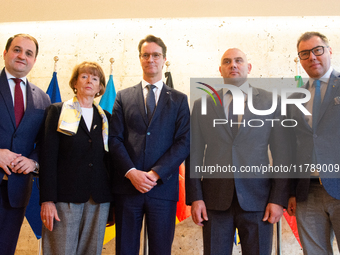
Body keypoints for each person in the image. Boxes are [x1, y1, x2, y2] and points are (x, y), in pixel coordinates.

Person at [186, 48, 290, 255]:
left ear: (248, 67)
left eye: (238, 61)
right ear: (220, 70)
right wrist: (195, 197)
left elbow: (282, 154)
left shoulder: (271, 101)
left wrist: (278, 199)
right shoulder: (202, 104)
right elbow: (194, 154)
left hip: (259, 201)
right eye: (227, 61)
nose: (233, 65)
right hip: (214, 202)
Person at [109, 35, 190, 255]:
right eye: (146, 55)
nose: (150, 59)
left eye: (155, 55)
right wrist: (132, 173)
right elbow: (114, 138)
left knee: (161, 250)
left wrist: (155, 174)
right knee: (125, 250)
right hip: (128, 188)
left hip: (162, 189)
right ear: (140, 58)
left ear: (164, 59)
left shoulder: (180, 100)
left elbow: (184, 142)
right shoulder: (123, 97)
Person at [39, 61, 112, 255]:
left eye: (95, 78)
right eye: (84, 76)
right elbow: (47, 157)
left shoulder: (105, 118)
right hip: (64, 198)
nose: (90, 81)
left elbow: (108, 161)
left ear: (100, 87)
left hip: (98, 198)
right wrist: (47, 200)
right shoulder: (57, 111)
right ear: (75, 82)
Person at [287, 32, 340, 254]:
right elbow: (289, 146)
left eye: (317, 50)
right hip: (306, 192)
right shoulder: (294, 97)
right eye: (305, 53)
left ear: (329, 51)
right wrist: (290, 190)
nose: (312, 57)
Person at [0, 34, 51, 255]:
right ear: (5, 53)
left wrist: (33, 161)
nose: (22, 56)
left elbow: (45, 142)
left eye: (29, 53)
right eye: (17, 50)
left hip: (18, 189)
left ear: (34, 60)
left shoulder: (42, 98)